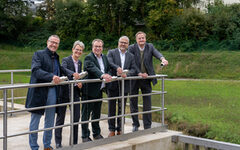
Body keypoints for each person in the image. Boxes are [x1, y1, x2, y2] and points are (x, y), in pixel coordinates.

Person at [25, 35, 80, 150]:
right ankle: (34, 147)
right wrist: (51, 76)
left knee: (50, 119)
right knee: (35, 119)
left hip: (52, 92)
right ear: (47, 42)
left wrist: (71, 74)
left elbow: (60, 69)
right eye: (52, 42)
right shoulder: (38, 54)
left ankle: (47, 145)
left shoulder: (55, 57)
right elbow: (36, 70)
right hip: (39, 92)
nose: (54, 45)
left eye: (56, 43)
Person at [128, 31, 168, 132]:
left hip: (146, 79)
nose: (141, 40)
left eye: (143, 38)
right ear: (136, 40)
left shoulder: (150, 46)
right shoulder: (132, 48)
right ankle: (135, 125)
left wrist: (162, 59)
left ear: (145, 39)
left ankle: (147, 126)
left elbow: (157, 53)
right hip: (134, 78)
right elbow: (131, 63)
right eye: (139, 38)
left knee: (147, 103)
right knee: (133, 102)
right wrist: (138, 73)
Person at [54, 41, 85, 148]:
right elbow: (63, 69)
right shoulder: (66, 60)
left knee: (76, 118)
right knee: (60, 119)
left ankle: (74, 141)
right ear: (73, 49)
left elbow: (78, 77)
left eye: (80, 50)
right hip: (64, 93)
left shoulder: (80, 63)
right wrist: (73, 74)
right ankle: (58, 142)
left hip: (75, 93)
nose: (78, 51)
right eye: (77, 49)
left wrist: (79, 83)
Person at [81, 39, 112, 142]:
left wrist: (108, 75)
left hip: (99, 90)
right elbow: (92, 68)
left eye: (100, 46)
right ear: (92, 47)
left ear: (102, 47)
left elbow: (108, 69)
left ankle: (96, 133)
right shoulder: (88, 58)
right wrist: (102, 75)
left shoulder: (105, 58)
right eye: (96, 46)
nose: (98, 48)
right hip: (88, 90)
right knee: (86, 114)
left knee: (96, 114)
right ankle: (85, 136)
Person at [106, 36, 137, 137]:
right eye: (121, 42)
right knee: (111, 107)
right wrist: (117, 68)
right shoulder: (111, 52)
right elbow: (109, 62)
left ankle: (120, 129)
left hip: (124, 85)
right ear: (118, 43)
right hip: (113, 84)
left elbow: (134, 69)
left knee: (121, 107)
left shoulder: (131, 56)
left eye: (125, 43)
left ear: (128, 44)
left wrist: (126, 74)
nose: (123, 44)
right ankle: (111, 129)